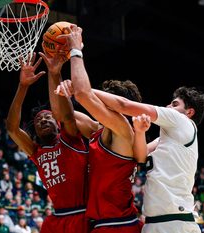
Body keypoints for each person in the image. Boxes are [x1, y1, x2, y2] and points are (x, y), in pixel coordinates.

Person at [58, 24, 204, 233]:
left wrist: (78, 77)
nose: (168, 107)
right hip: (152, 223)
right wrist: (139, 132)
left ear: (189, 112)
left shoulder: (181, 121)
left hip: (174, 221)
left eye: (175, 104)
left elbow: (122, 106)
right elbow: (139, 157)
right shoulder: (166, 140)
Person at [55, 26, 150, 233]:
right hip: (103, 224)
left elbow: (82, 94)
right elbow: (62, 115)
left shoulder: (123, 129)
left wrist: (76, 50)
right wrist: (55, 73)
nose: (98, 103)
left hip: (119, 224)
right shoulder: (98, 128)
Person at [6, 52, 89, 233]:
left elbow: (67, 115)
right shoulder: (36, 152)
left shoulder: (70, 138)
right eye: (38, 121)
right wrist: (22, 86)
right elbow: (12, 128)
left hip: (83, 213)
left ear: (58, 124)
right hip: (57, 217)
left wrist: (55, 73)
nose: (42, 120)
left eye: (47, 117)